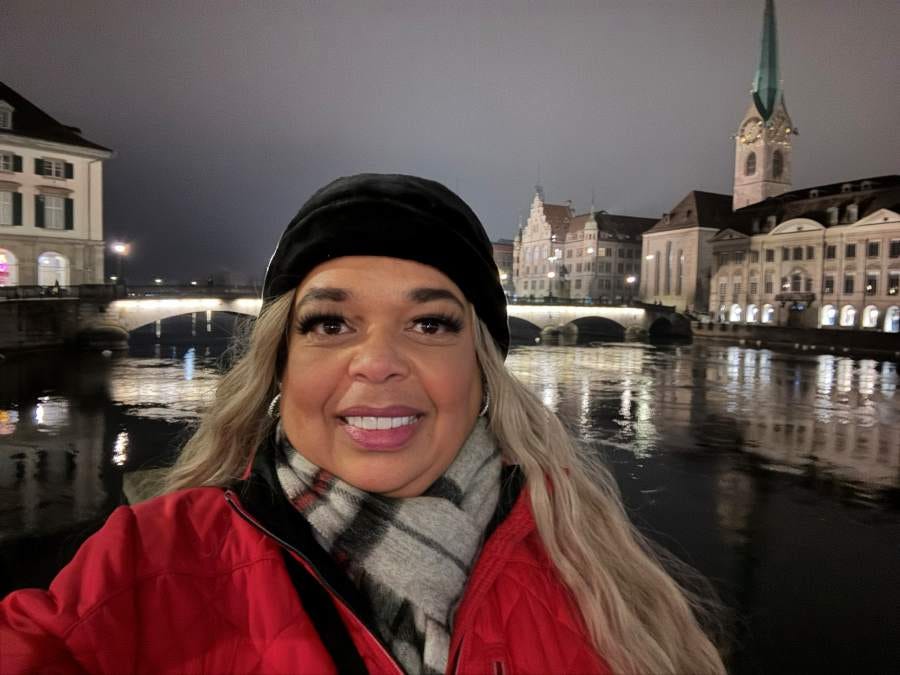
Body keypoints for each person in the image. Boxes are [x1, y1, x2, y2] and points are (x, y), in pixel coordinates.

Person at [0, 174, 725, 674]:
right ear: (281, 364)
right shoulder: (144, 568)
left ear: (483, 370)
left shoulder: (609, 581)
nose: (377, 361)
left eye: (431, 321)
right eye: (330, 322)